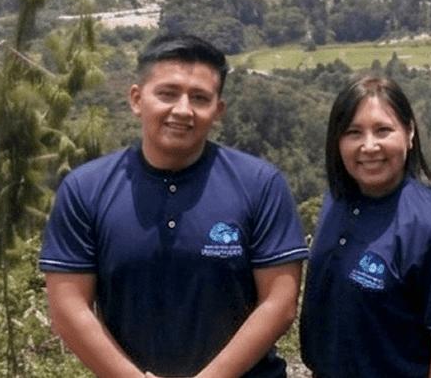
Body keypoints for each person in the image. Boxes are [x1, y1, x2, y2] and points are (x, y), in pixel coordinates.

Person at [39, 33, 308, 378]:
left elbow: (279, 304)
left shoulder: (259, 184)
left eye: (200, 98)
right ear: (137, 99)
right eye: (167, 94)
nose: (183, 110)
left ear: (218, 110)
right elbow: (68, 308)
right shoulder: (85, 189)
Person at [300, 72, 431, 378]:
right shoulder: (336, 201)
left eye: (383, 130)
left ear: (409, 134)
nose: (369, 146)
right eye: (354, 132)